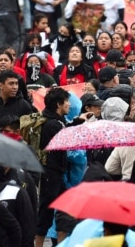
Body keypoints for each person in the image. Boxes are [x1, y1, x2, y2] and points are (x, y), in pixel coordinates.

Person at [36, 87, 88, 247]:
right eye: (66, 102)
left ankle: (61, 242)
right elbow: (67, 140)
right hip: (50, 175)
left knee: (66, 208)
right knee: (47, 211)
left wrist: (78, 121)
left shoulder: (56, 122)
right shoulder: (52, 125)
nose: (69, 105)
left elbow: (66, 129)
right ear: (59, 104)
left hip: (56, 174)